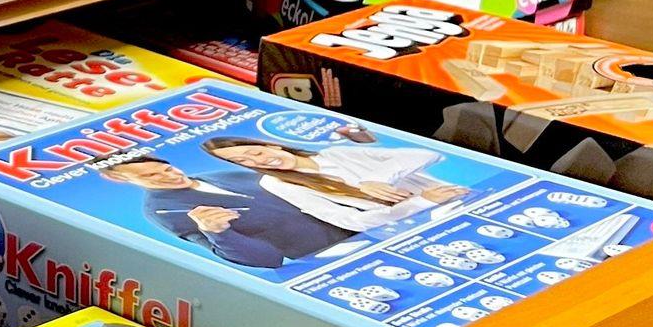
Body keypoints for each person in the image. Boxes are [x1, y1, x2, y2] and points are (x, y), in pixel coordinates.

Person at [98, 156, 357, 268]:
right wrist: (219, 233)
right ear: (122, 180)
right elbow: (268, 259)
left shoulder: (225, 175)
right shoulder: (163, 210)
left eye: (166, 169)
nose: (169, 177)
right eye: (151, 177)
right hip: (328, 257)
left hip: (361, 227)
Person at [201, 137, 471, 233]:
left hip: (461, 202)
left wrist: (376, 179)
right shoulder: (278, 183)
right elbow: (349, 220)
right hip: (413, 226)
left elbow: (426, 154)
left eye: (256, 152)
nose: (258, 160)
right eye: (243, 161)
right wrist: (421, 203)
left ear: (272, 145)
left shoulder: (335, 153)